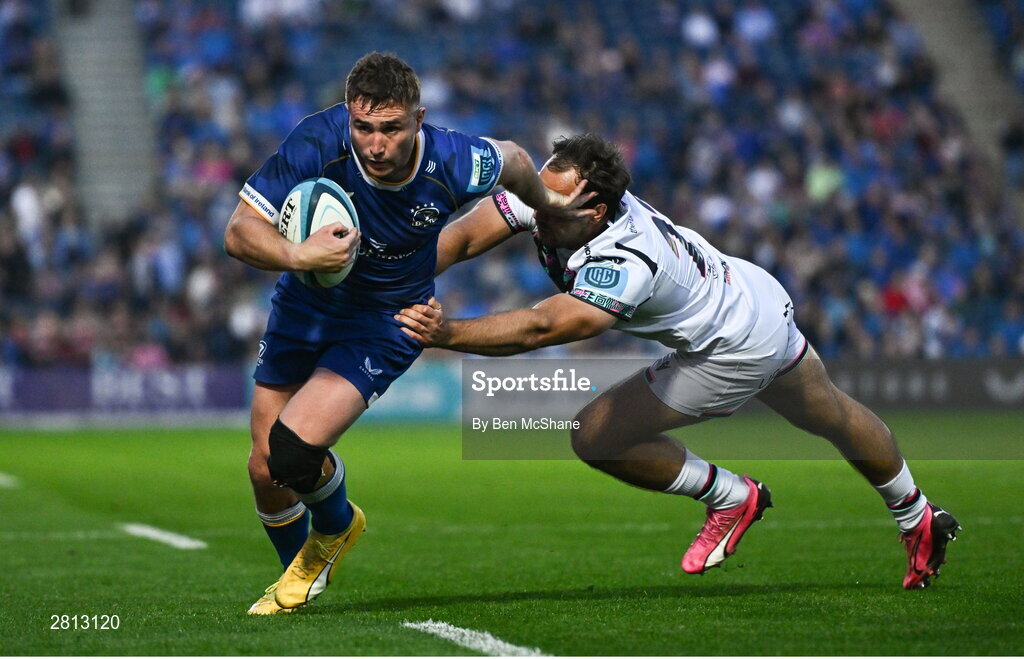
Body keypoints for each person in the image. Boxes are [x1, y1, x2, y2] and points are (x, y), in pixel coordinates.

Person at [396, 133, 960, 589]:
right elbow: (467, 238)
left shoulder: (627, 255)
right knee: (832, 414)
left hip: (731, 349)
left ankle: (731, 496)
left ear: (597, 211)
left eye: (553, 209)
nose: (537, 213)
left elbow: (549, 325)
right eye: (538, 197)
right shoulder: (557, 196)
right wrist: (397, 282)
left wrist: (446, 333)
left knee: (593, 435)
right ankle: (918, 514)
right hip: (751, 294)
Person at [224, 52, 591, 615]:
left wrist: (549, 208)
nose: (375, 144)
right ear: (348, 116)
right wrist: (297, 253)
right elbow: (239, 231)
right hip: (304, 304)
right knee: (262, 468)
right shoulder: (318, 142)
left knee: (294, 452)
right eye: (363, 127)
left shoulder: (453, 160)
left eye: (391, 129)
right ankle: (302, 572)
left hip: (386, 320)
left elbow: (517, 160)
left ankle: (333, 531)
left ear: (418, 120)